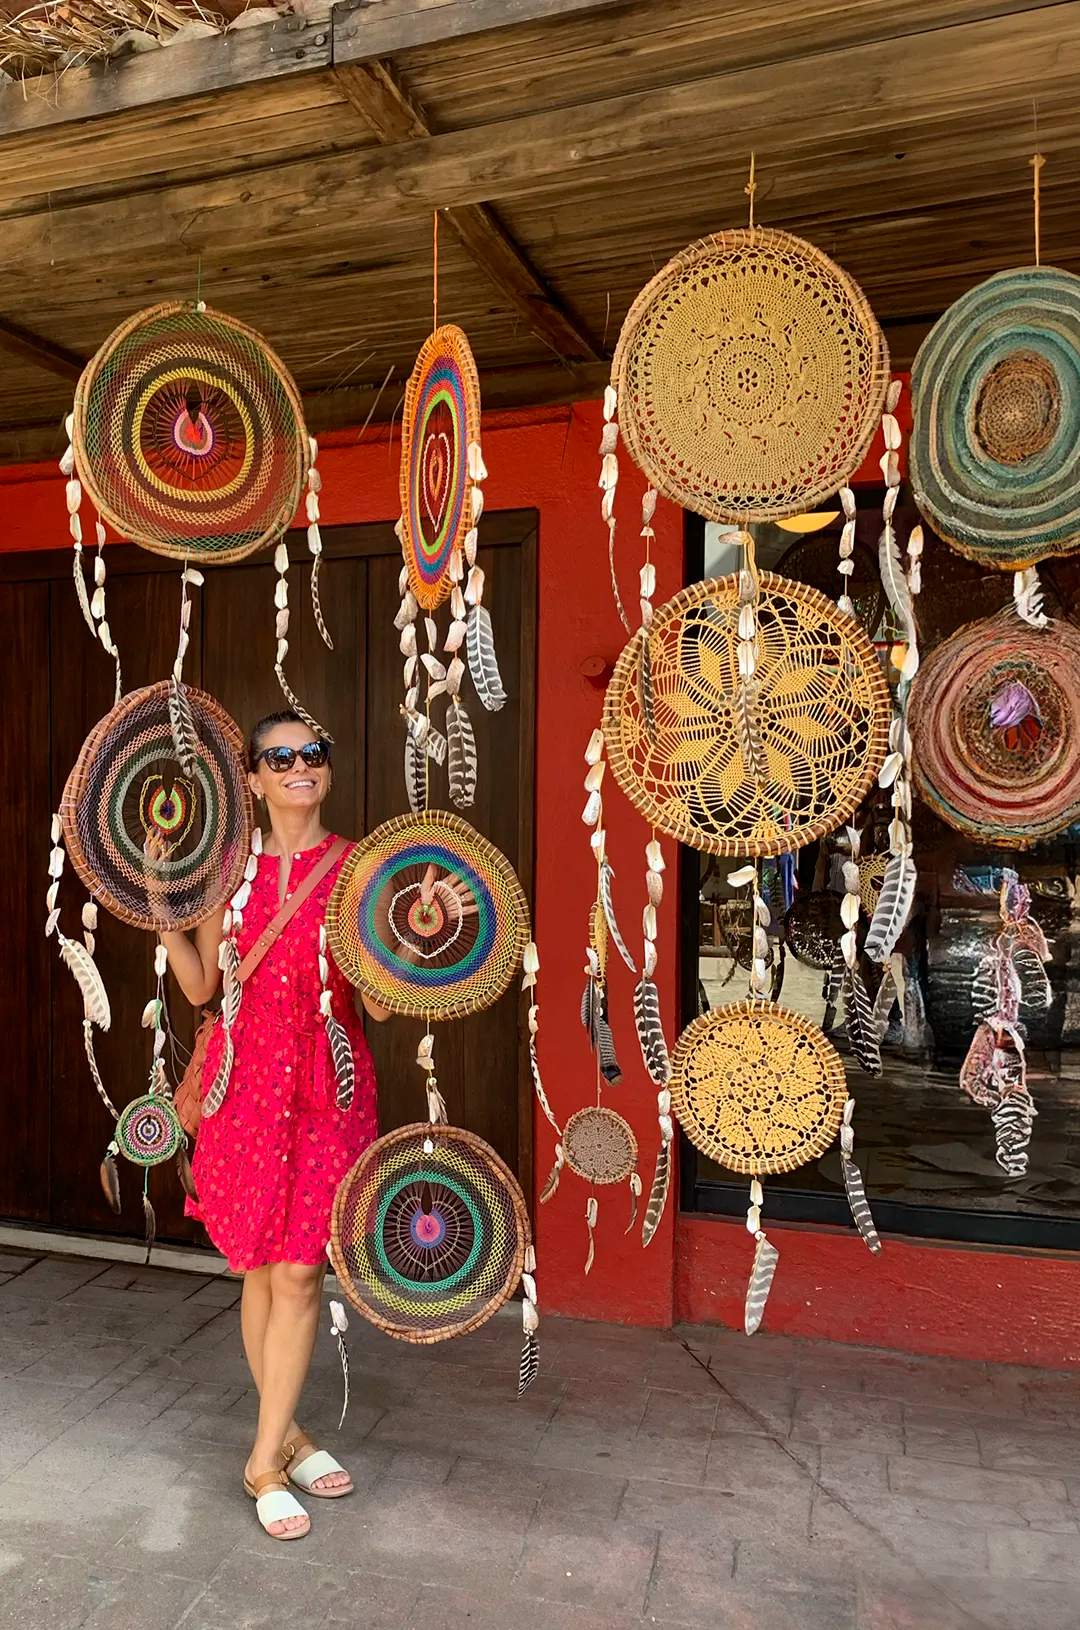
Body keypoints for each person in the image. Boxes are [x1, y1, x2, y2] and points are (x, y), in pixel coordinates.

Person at [152, 710, 385, 1542]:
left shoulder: (360, 867)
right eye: (279, 757)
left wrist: (414, 931)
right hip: (244, 1088)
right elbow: (203, 987)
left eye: (312, 753)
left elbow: (382, 1005)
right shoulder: (230, 871)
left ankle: (260, 1463)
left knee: (298, 1273)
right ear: (252, 778)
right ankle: (289, 1434)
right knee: (258, 1268)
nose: (299, 766)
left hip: (329, 1087)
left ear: (327, 769)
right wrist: (166, 918)